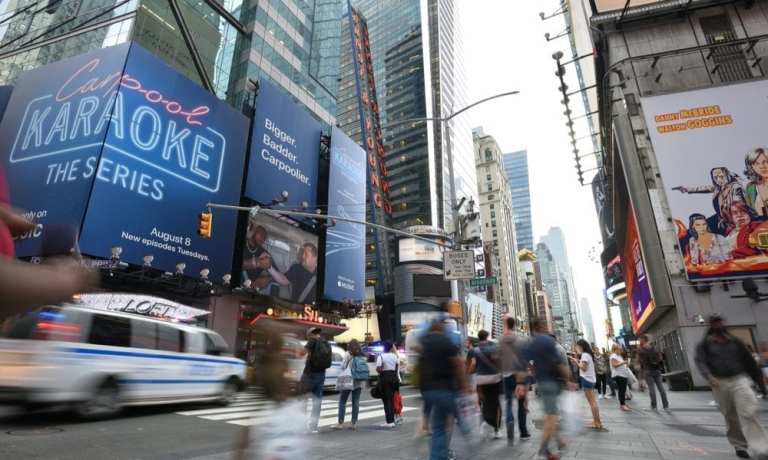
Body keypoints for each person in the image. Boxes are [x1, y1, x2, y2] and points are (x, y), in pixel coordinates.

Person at [695, 315, 768, 460]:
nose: (718, 325)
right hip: (719, 382)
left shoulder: (736, 342)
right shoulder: (704, 345)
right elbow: (701, 361)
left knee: (748, 412)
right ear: (711, 326)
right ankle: (739, 445)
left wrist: (761, 385)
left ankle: (761, 448)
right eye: (715, 323)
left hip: (739, 379)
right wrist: (709, 376)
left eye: (720, 322)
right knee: (730, 415)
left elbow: (750, 364)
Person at [420, 318, 470, 460]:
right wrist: (464, 385)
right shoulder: (446, 342)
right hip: (445, 388)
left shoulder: (424, 343)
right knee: (446, 419)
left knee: (438, 427)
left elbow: (421, 367)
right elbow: (458, 364)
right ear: (441, 328)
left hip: (428, 390)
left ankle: (437, 456)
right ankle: (464, 425)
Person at [526, 318, 574, 460]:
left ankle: (559, 441)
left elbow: (529, 364)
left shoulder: (531, 343)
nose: (546, 327)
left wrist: (536, 375)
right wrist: (569, 379)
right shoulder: (548, 341)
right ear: (540, 326)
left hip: (541, 383)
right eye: (544, 324)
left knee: (550, 415)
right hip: (552, 383)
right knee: (551, 416)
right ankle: (544, 448)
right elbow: (559, 363)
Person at [674, 167, 745, 233]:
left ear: (726, 175)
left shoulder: (735, 187)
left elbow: (738, 204)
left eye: (721, 176)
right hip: (727, 222)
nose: (718, 180)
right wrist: (686, 189)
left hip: (737, 219)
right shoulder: (717, 189)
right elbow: (702, 188)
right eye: (715, 178)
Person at [499, 316, 531, 444]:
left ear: (506, 324)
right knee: (521, 403)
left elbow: (497, 357)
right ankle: (523, 432)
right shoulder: (520, 340)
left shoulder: (500, 340)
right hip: (519, 375)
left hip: (506, 375)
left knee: (508, 402)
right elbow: (524, 359)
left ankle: (509, 421)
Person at [469, 329, 503, 439]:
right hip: (494, 378)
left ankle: (485, 418)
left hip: (481, 380)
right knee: (496, 401)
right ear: (487, 336)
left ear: (478, 337)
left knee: (483, 400)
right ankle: (497, 430)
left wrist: (467, 374)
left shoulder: (475, 350)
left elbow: (473, 365)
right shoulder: (493, 348)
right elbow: (498, 362)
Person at [241, 219, 289, 289]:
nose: (262, 239)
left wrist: (268, 278)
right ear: (254, 232)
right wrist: (258, 262)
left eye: (264, 238)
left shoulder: (264, 253)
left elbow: (276, 273)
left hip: (251, 288)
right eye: (261, 235)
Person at [303, 327, 332, 433]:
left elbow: (302, 353)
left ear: (309, 334)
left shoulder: (312, 340)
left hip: (309, 374)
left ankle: (301, 425)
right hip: (321, 374)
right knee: (317, 401)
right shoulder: (325, 342)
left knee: (303, 399)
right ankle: (314, 427)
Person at [335, 339, 368, 430]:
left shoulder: (348, 354)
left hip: (348, 380)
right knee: (355, 401)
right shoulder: (363, 356)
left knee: (342, 401)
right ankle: (353, 424)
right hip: (359, 381)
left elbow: (343, 366)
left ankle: (340, 423)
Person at [571, 340, 603, 430]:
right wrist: (578, 360)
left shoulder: (585, 355)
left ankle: (597, 422)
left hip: (586, 379)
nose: (576, 348)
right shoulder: (588, 355)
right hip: (591, 379)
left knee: (592, 402)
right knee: (593, 402)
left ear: (581, 346)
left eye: (577, 346)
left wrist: (576, 362)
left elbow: (583, 368)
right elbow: (585, 365)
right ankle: (597, 421)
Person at [638, 334, 669, 410]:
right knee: (661, 387)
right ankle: (665, 405)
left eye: (640, 340)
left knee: (651, 388)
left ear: (643, 340)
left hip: (647, 370)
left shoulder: (641, 350)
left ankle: (654, 406)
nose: (639, 341)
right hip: (657, 369)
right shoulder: (654, 348)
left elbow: (640, 361)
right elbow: (661, 358)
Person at [376, 341, 400, 428]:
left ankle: (389, 421)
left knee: (386, 400)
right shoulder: (395, 356)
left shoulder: (381, 356)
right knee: (392, 398)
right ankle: (392, 420)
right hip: (394, 378)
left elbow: (378, 369)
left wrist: (381, 371)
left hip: (385, 379)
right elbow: (397, 368)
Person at [744, 148, 768, 217]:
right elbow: (751, 214)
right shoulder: (750, 188)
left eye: (765, 161)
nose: (762, 166)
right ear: (752, 167)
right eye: (756, 163)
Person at [610, 344, 632, 411]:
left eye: (621, 349)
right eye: (619, 349)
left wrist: (626, 364)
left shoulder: (618, 356)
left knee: (623, 390)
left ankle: (623, 404)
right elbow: (614, 365)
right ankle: (622, 405)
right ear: (615, 349)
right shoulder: (613, 356)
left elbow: (620, 364)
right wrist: (623, 362)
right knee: (622, 390)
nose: (621, 350)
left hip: (623, 374)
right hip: (619, 375)